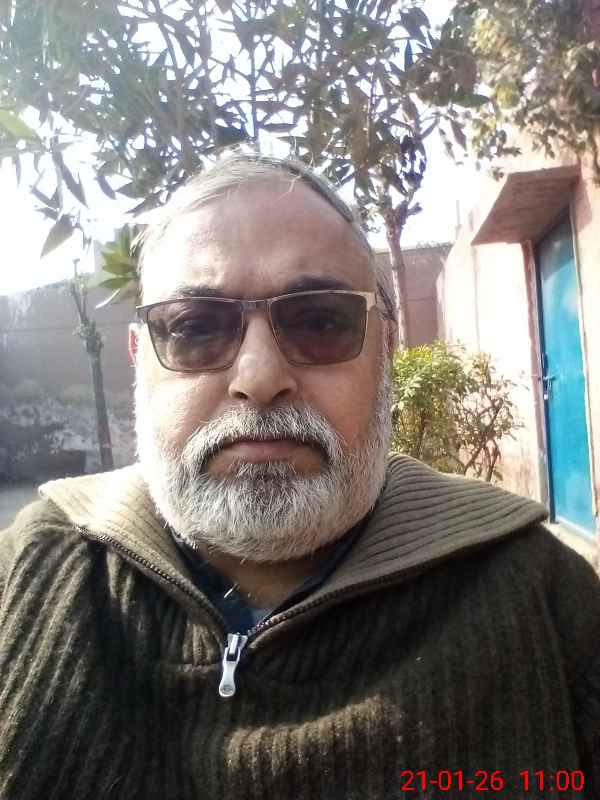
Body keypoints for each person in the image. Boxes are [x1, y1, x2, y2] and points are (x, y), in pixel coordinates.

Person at [0, 153, 598, 800]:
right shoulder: (29, 573)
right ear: (139, 358)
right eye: (195, 327)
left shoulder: (544, 595)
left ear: (386, 349)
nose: (259, 379)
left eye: (320, 321)